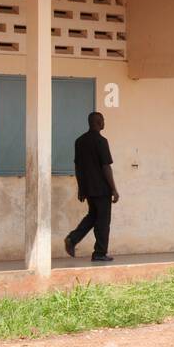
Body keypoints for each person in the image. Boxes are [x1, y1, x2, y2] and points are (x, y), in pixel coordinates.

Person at [64, 111, 119, 262]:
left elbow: (78, 167)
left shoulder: (79, 141)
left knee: (93, 216)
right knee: (103, 221)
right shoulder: (101, 141)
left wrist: (81, 188)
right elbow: (106, 167)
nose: (104, 123)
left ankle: (72, 239)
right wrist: (113, 188)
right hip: (102, 189)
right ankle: (100, 253)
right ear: (98, 122)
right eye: (102, 120)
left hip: (88, 188)